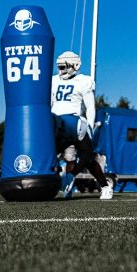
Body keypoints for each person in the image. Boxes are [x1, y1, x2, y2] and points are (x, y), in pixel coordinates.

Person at [51, 51, 115, 200]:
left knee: (88, 157)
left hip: (76, 123)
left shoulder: (83, 81)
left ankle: (104, 186)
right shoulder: (53, 80)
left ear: (76, 65)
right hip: (57, 123)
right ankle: (61, 181)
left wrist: (90, 127)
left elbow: (90, 107)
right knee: (52, 155)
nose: (62, 70)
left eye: (65, 66)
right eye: (60, 67)